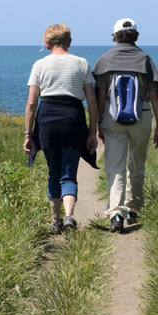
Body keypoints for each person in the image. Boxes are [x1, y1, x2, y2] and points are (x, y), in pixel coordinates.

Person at [92, 18, 158, 233]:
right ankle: (134, 207)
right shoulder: (144, 59)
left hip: (112, 119)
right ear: (135, 35)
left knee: (115, 165)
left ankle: (116, 212)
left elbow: (100, 95)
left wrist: (98, 123)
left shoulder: (105, 60)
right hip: (142, 118)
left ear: (115, 35)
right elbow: (154, 95)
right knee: (136, 164)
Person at [24, 24, 99, 234]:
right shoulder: (81, 63)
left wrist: (28, 134)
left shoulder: (39, 65)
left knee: (53, 172)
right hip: (72, 119)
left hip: (47, 119)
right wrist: (92, 131)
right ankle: (69, 217)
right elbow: (91, 101)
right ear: (69, 42)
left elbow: (31, 103)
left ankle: (55, 220)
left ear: (46, 43)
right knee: (68, 173)